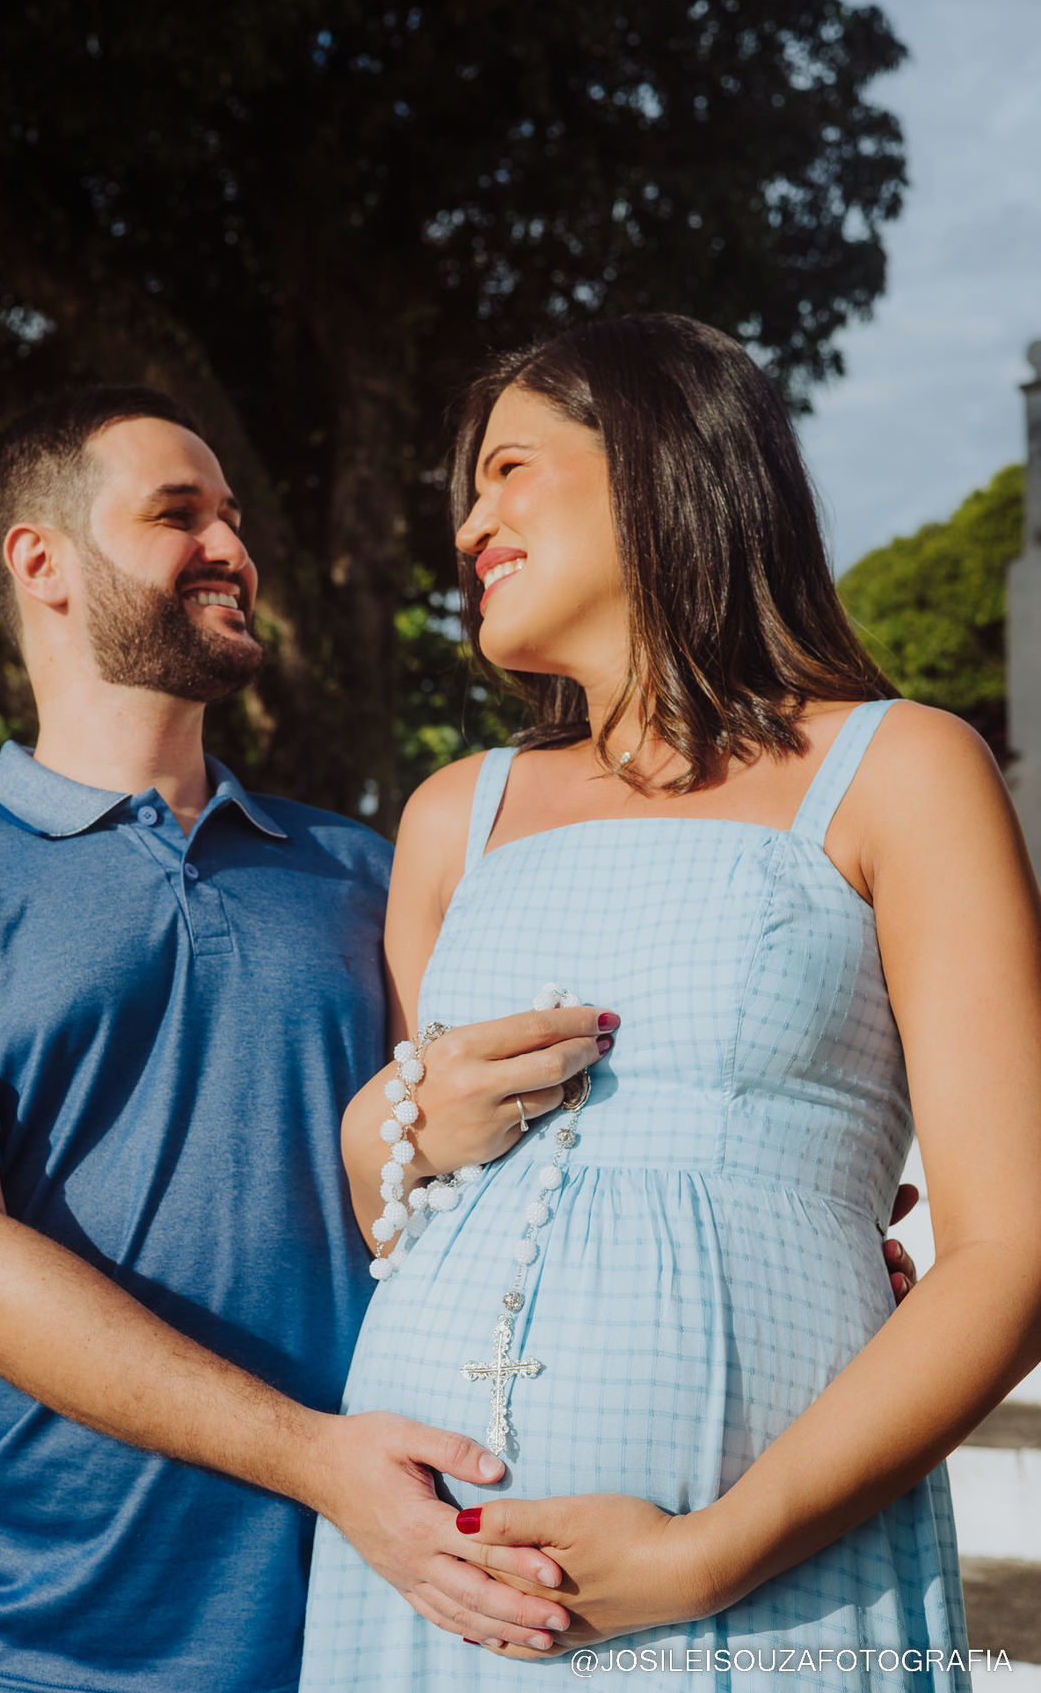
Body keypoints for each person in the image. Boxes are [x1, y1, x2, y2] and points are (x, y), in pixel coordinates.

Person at [299, 313, 1041, 1689]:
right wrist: (379, 1136)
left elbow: (1015, 1250)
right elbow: (402, 1221)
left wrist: (705, 1557)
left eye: (510, 469)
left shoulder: (901, 771)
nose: (469, 525)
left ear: (661, 460)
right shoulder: (454, 815)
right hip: (429, 1573)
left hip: (765, 1579)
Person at [0, 386, 611, 1693]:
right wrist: (317, 1458)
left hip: (355, 1630)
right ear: (41, 561)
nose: (232, 549)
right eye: (178, 513)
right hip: (27, 1650)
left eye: (235, 518)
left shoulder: (363, 870)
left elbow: (482, 1152)